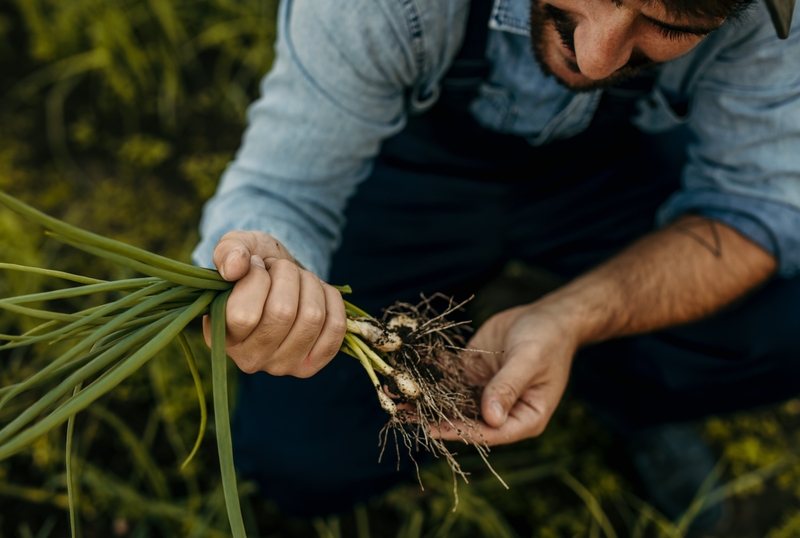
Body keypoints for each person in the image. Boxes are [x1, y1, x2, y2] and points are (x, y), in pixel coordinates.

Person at [192, 0, 800, 526]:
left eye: (669, 24)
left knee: (782, 327)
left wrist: (572, 317)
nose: (596, 58)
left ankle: (623, 389)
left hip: (609, 173)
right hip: (413, 178)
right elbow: (284, 190)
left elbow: (756, 204)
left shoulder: (767, 16)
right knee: (301, 459)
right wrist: (267, 273)